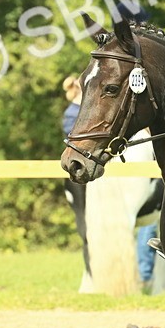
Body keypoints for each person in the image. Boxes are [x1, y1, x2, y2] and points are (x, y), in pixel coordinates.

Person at [62, 75, 91, 279]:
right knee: (84, 224)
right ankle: (89, 269)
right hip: (78, 174)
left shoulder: (78, 112)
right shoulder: (73, 113)